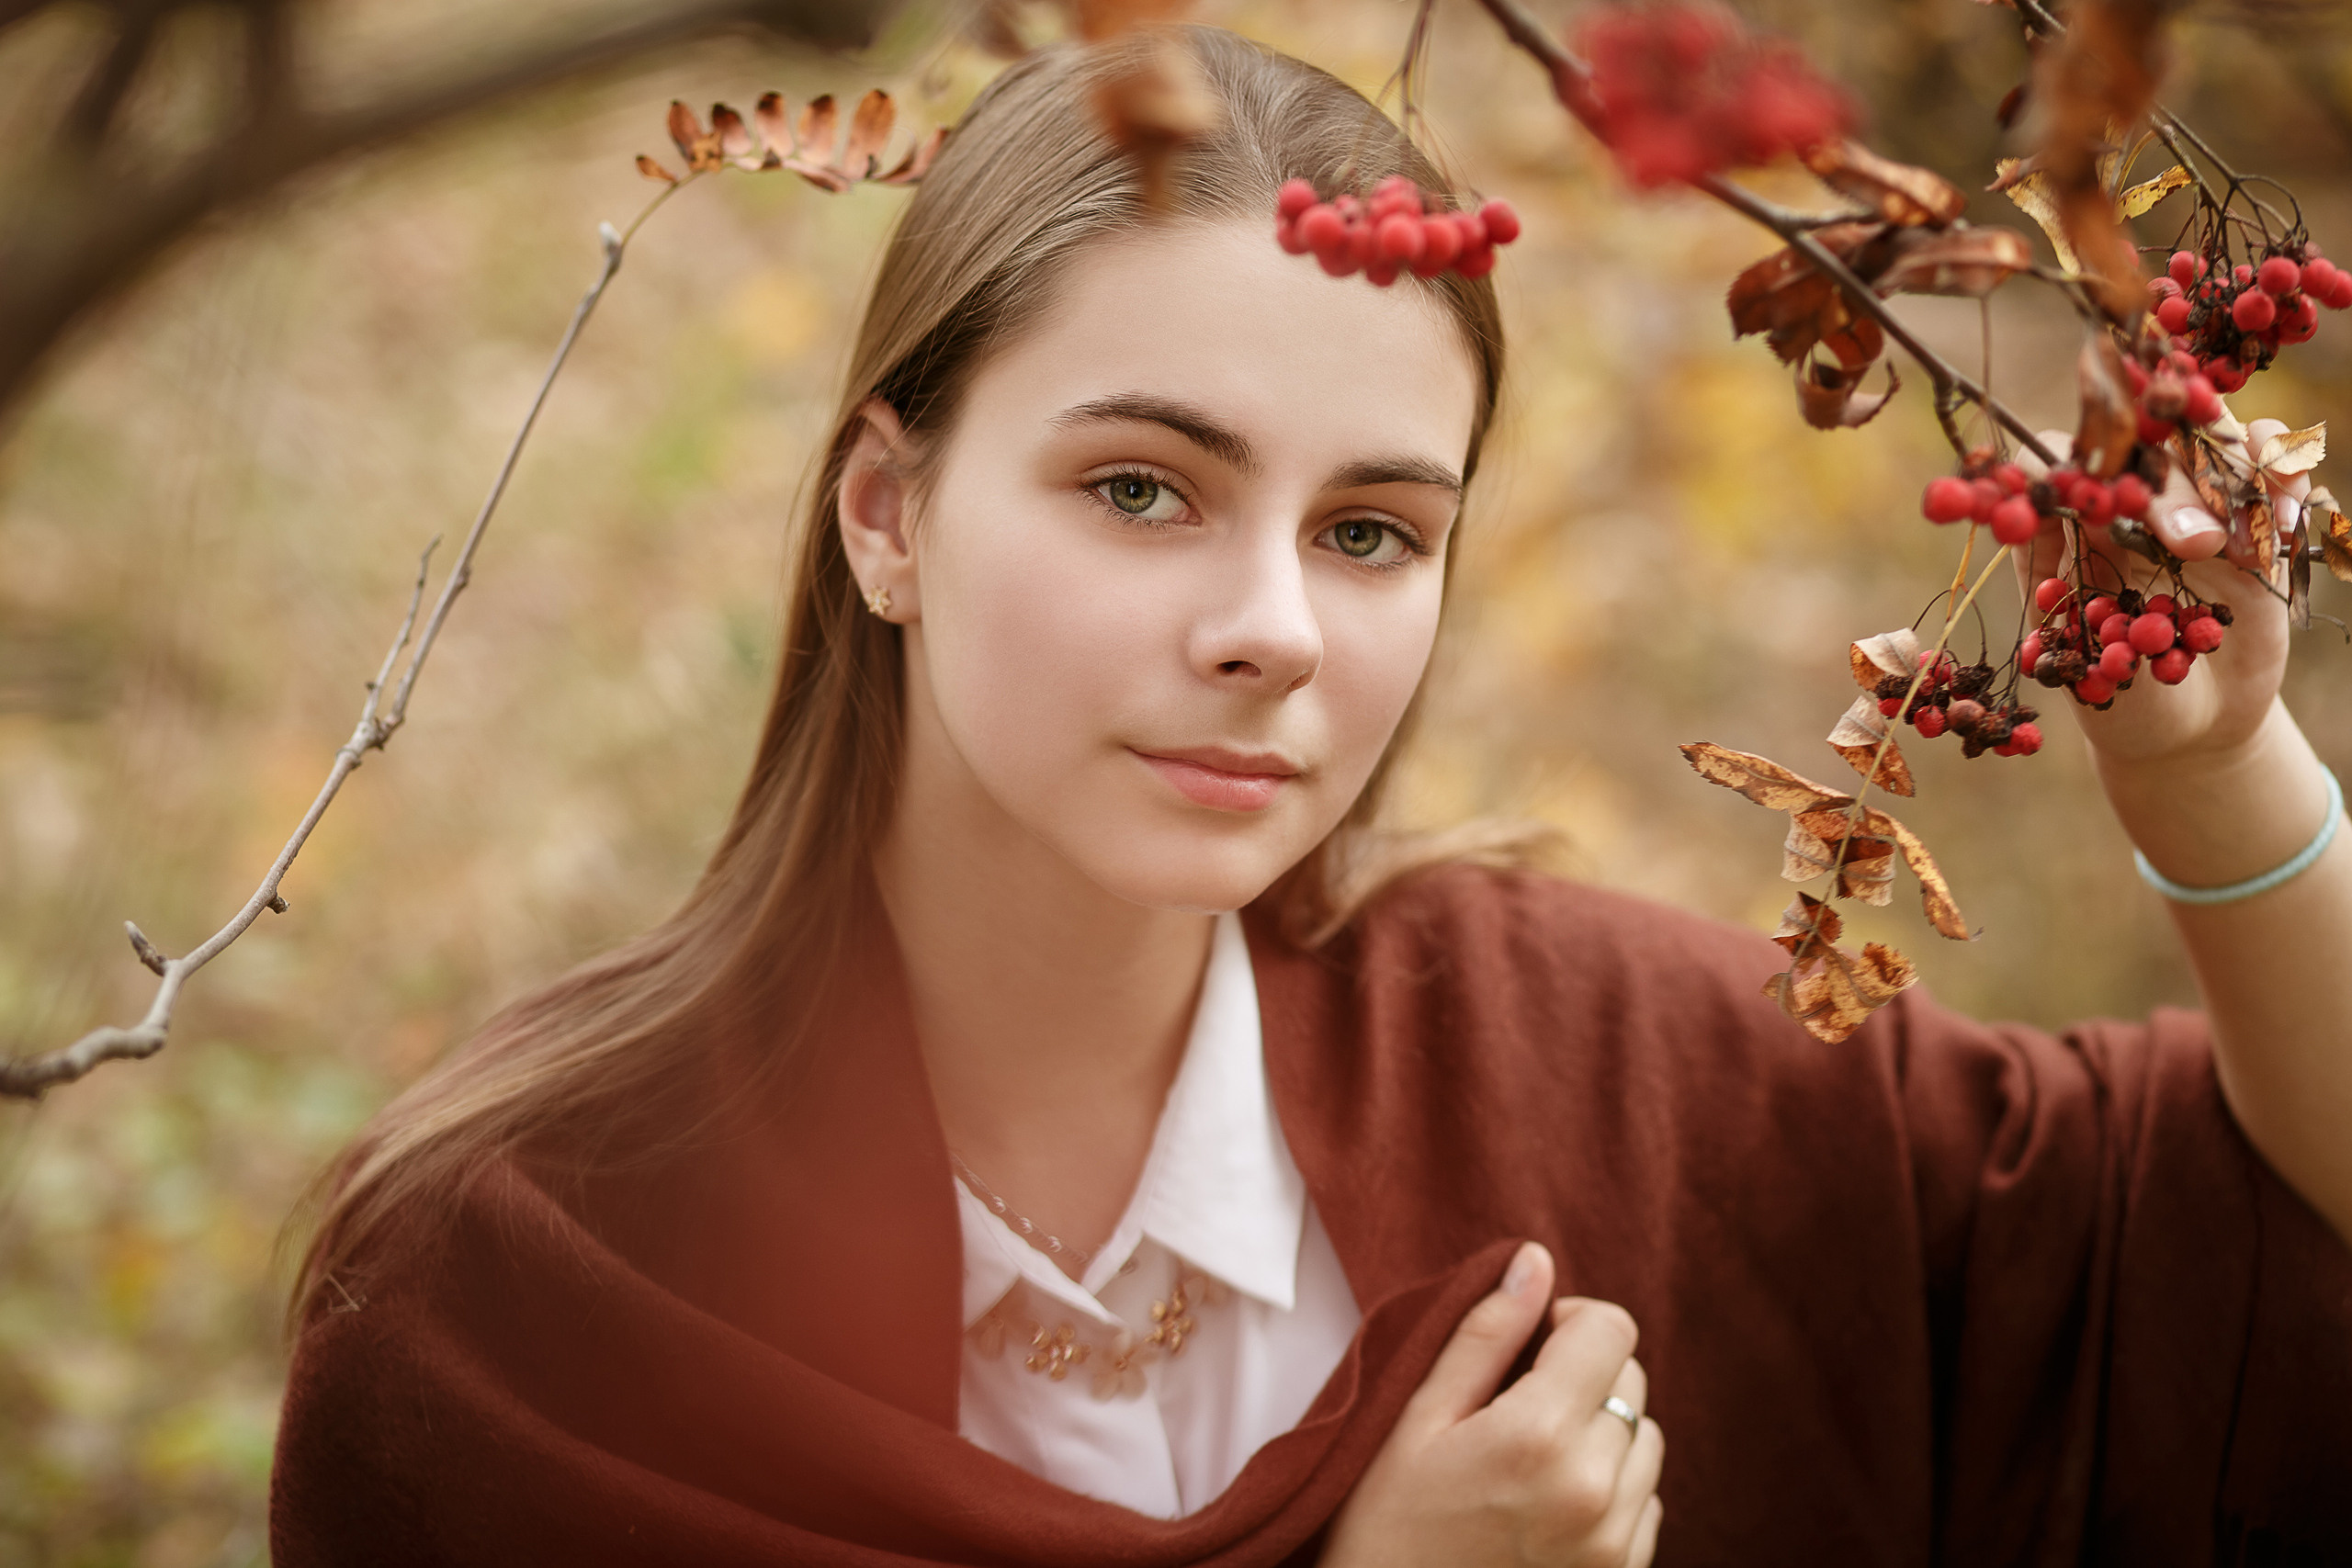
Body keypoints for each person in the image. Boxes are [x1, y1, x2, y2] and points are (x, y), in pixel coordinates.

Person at [268, 24, 2352, 1567]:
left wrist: (2205, 760)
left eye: (1369, 532)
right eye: (1137, 490)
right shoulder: (516, 1283)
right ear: (886, 516)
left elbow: (2269, 1254)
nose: (1269, 624)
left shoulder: (1624, 1078)